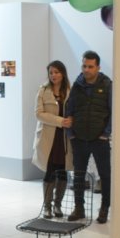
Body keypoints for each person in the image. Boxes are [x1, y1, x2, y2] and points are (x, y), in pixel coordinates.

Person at [65, 50, 113, 224]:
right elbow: (69, 109)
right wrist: (71, 134)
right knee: (78, 175)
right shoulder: (77, 85)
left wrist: (106, 133)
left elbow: (113, 111)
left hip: (99, 139)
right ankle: (79, 208)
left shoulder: (107, 85)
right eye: (84, 66)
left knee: (105, 175)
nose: (86, 70)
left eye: (90, 67)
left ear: (98, 67)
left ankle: (104, 208)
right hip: (79, 139)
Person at [32, 61, 74, 218]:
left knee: (62, 172)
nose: (53, 75)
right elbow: (38, 114)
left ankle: (58, 206)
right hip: (48, 138)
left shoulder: (70, 91)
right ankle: (47, 207)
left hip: (64, 139)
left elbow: (75, 111)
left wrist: (72, 120)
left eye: (57, 72)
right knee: (50, 171)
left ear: (63, 73)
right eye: (51, 72)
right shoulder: (43, 91)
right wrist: (60, 121)